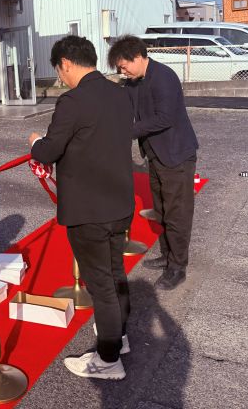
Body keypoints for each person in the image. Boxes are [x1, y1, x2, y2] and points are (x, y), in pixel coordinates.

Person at [28, 35, 134, 381]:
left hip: (89, 210)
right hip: (119, 202)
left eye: (60, 71)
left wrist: (35, 143)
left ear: (67, 64)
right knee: (116, 274)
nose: (61, 78)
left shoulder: (73, 101)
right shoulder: (120, 93)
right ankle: (119, 337)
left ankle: (107, 359)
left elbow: (49, 150)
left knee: (101, 284)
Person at [108, 35, 199, 291]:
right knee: (161, 209)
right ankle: (167, 255)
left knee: (177, 214)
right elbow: (120, 104)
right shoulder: (134, 82)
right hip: (156, 155)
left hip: (176, 154)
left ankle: (178, 267)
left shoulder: (164, 77)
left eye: (124, 65)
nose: (122, 71)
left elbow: (164, 118)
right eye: (119, 68)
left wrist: (125, 131)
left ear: (138, 57)